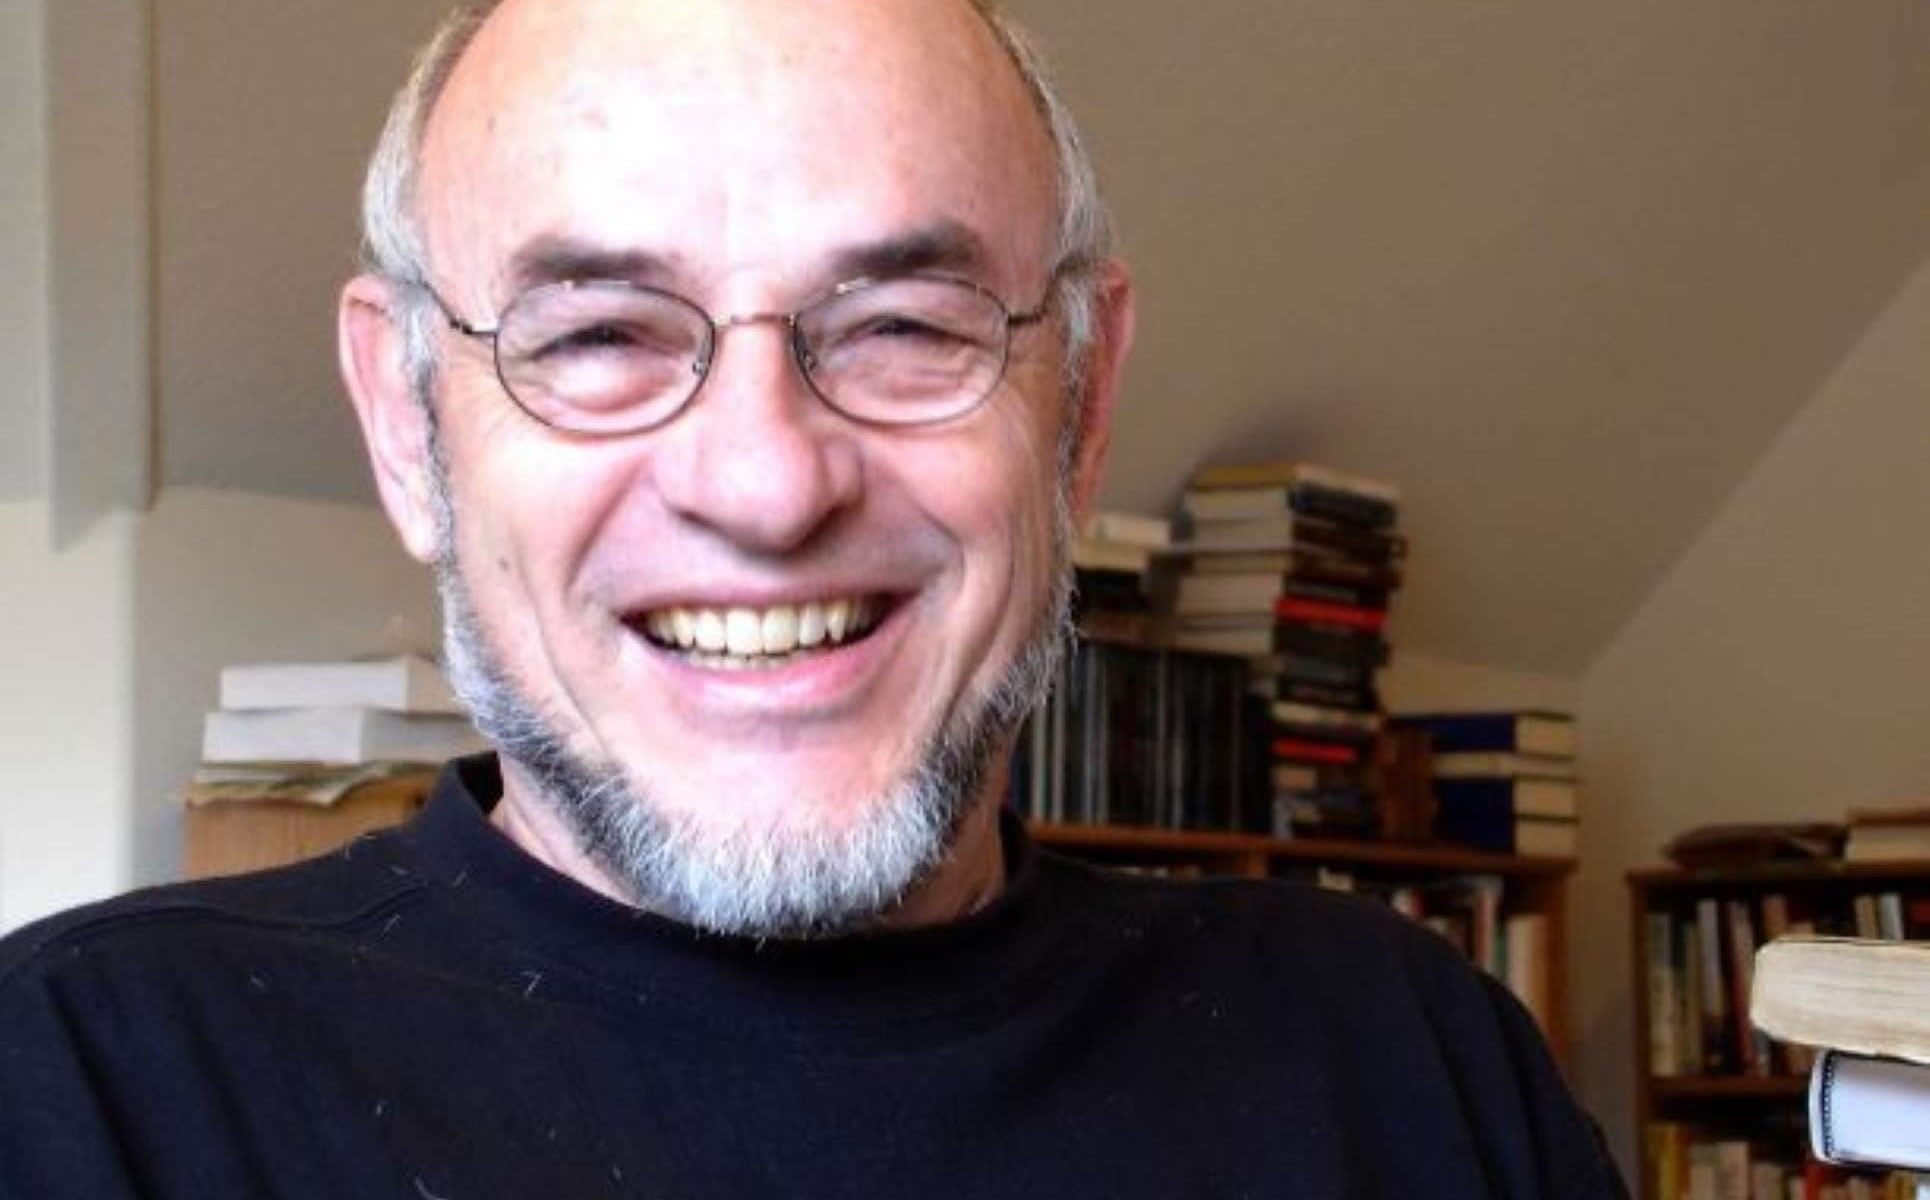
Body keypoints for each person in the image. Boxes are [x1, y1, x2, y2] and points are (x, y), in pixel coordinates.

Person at [0, 1, 1628, 1196]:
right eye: (598, 337)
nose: (768, 486)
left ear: (1080, 404)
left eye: (904, 324)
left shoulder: (1409, 1062)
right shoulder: (84, 1090)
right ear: (405, 420)